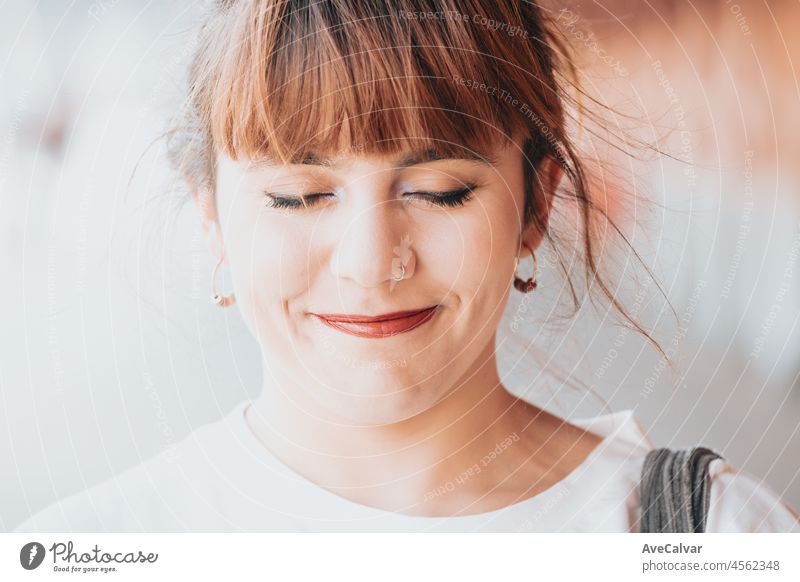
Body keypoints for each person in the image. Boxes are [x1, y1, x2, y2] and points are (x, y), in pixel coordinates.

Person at [14, 0, 800, 533]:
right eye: (297, 196)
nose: (370, 264)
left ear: (535, 201)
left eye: (439, 191)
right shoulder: (94, 547)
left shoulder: (707, 534)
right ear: (212, 213)